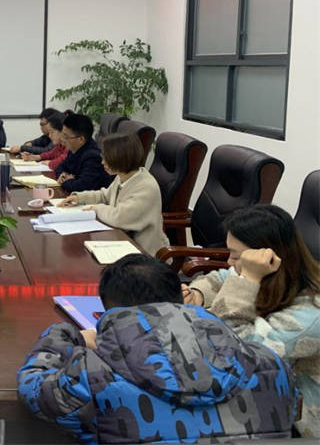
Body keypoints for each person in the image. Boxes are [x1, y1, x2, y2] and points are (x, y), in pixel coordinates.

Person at [18, 254, 299, 443]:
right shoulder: (270, 364)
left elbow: (32, 388)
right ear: (181, 296)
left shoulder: (93, 373)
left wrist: (67, 334)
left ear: (109, 308)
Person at [185, 204, 320, 437]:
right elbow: (220, 278)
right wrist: (196, 294)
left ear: (267, 260)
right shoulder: (279, 277)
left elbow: (233, 356)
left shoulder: (311, 315)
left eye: (236, 256)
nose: (229, 262)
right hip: (262, 391)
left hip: (298, 418)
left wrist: (246, 279)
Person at [58, 132, 168, 256]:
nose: (102, 162)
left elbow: (120, 218)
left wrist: (95, 208)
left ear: (120, 158)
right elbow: (105, 196)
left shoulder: (145, 186)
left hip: (143, 253)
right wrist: (79, 197)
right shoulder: (123, 176)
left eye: (106, 158)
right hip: (122, 241)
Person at [54, 113, 112, 192]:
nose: (62, 139)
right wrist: (63, 176)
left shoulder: (93, 157)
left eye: (66, 136)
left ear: (81, 139)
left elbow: (82, 187)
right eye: (63, 135)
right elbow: (60, 167)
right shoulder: (74, 149)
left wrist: (64, 182)